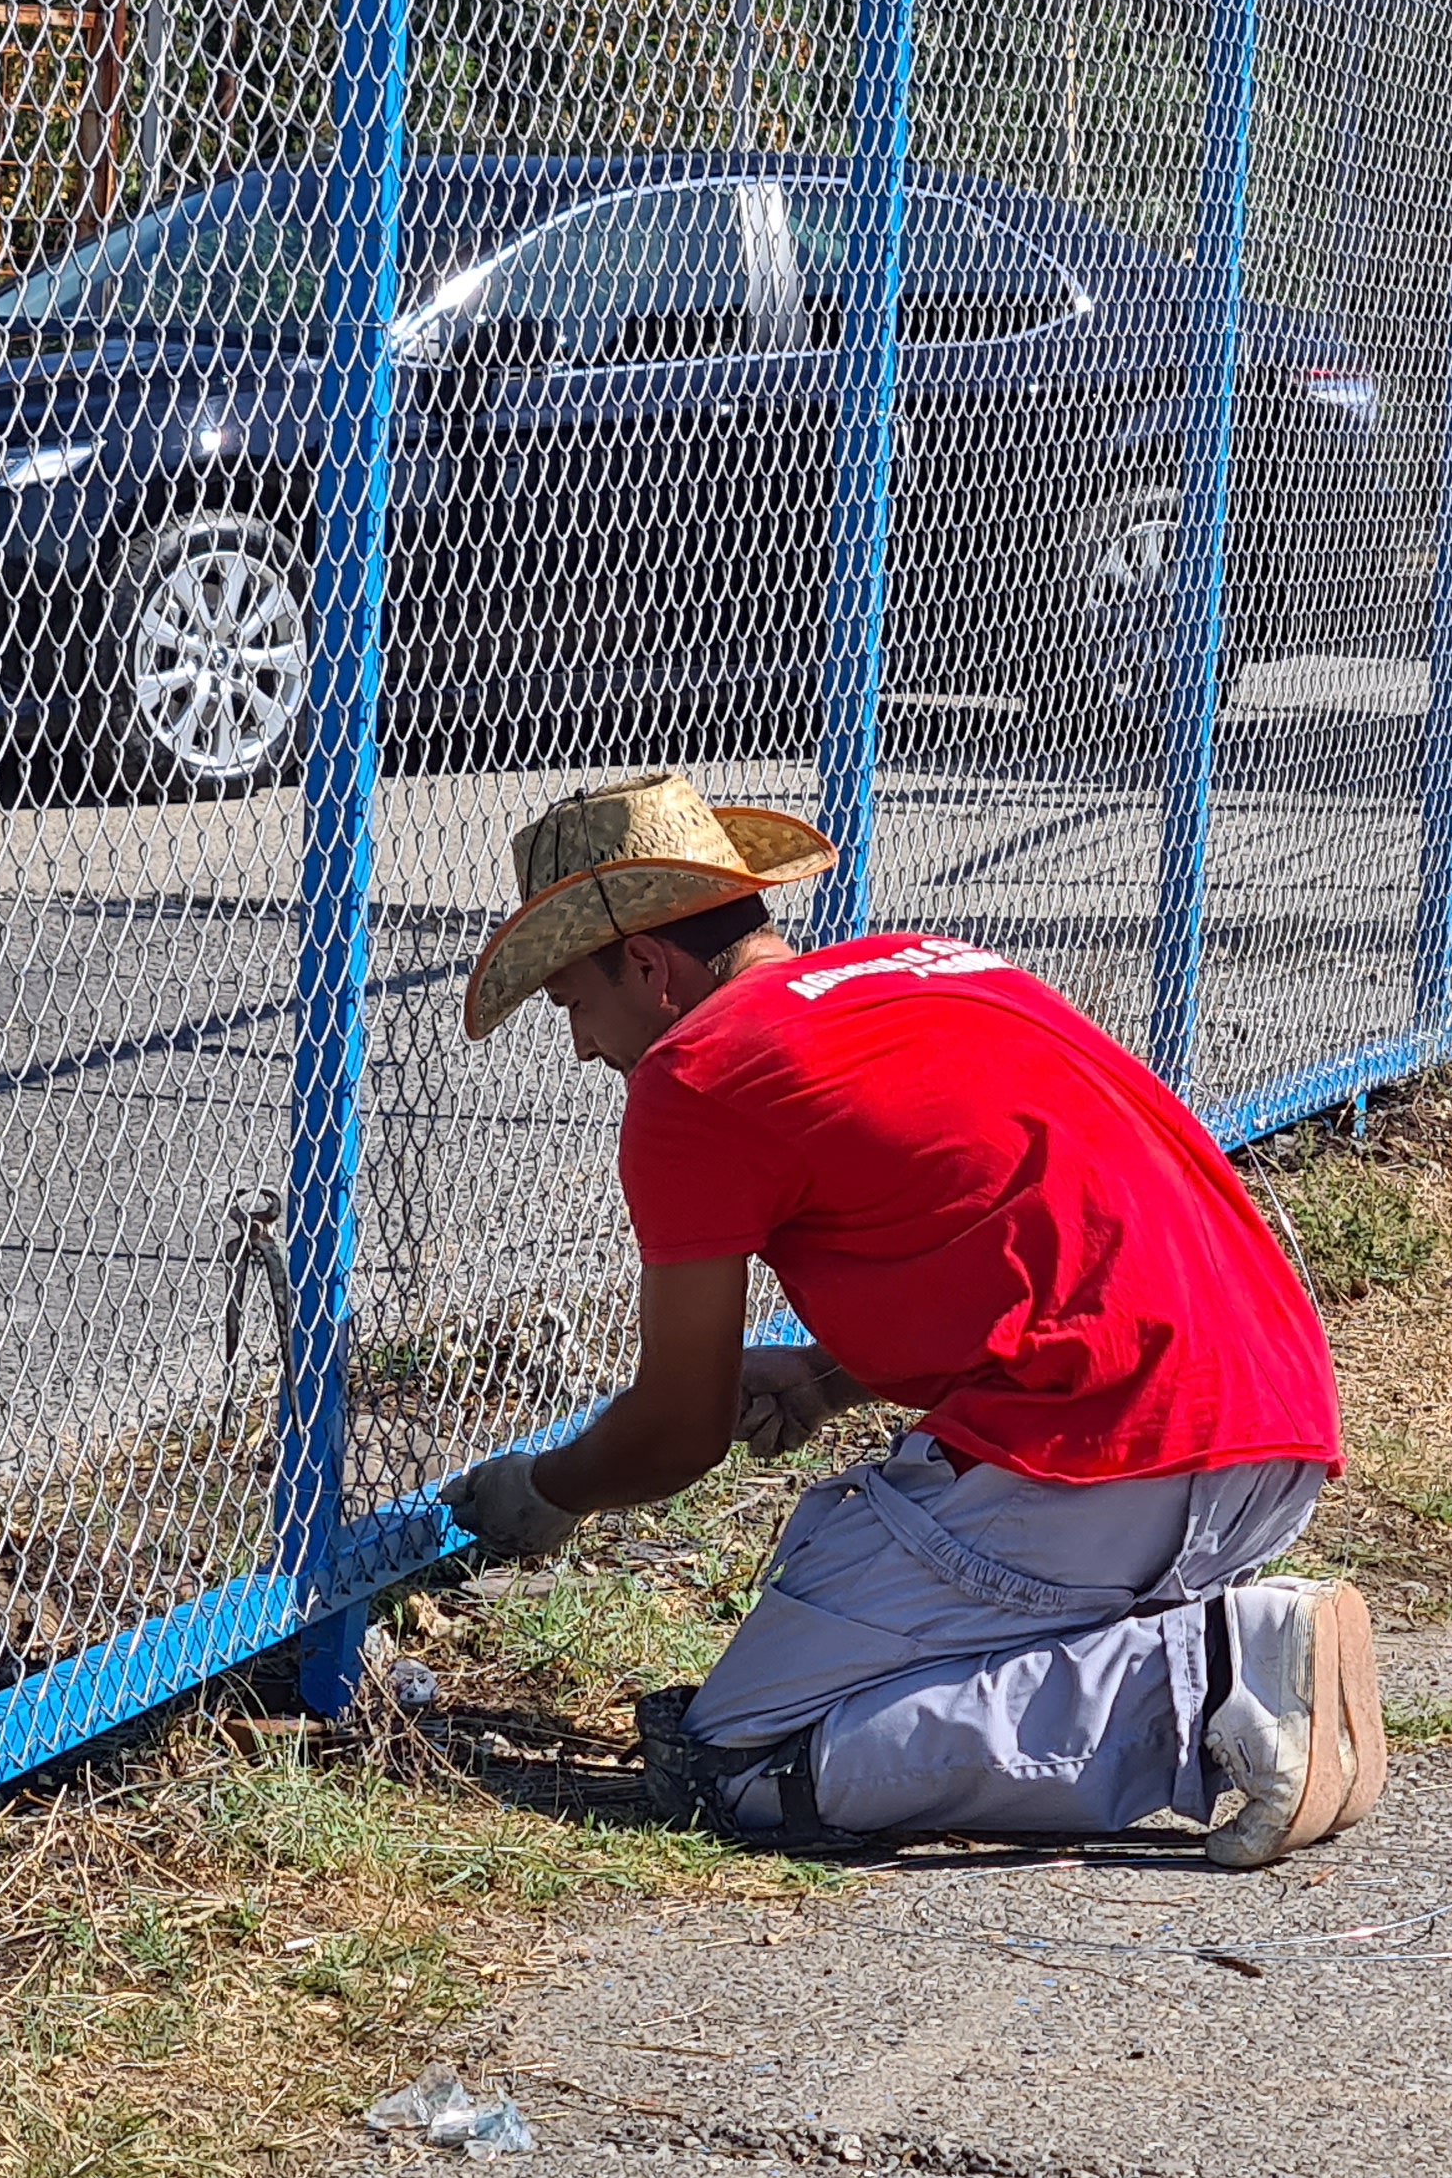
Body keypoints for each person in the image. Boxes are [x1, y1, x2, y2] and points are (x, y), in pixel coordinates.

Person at [436, 770, 1378, 1867]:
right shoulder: (937, 966)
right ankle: (1217, 1667)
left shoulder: (695, 1075)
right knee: (890, 1682)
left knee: (744, 1764)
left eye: (572, 1003)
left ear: (647, 966)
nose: (582, 1046)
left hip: (1102, 1455)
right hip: (1274, 1426)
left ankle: (1208, 1683)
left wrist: (545, 1495)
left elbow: (678, 1431)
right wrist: (826, 1378)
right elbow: (1037, 1232)